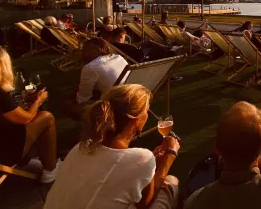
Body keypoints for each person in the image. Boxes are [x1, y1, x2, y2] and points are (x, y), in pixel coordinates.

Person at [44, 85, 180, 209]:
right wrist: (170, 155)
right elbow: (145, 204)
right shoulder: (142, 158)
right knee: (171, 182)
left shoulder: (83, 146)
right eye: (146, 110)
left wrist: (147, 166)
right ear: (136, 121)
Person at [0, 46, 61, 182]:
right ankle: (50, 170)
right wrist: (39, 100)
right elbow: (26, 118)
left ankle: (34, 159)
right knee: (46, 117)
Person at [76, 38, 128, 105]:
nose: (83, 54)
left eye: (85, 51)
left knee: (70, 105)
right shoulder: (118, 57)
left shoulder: (90, 67)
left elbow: (83, 98)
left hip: (116, 103)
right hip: (132, 94)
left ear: (97, 50)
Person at [112, 28, 185, 62]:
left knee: (148, 42)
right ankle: (171, 49)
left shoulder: (113, 45)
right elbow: (138, 55)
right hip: (140, 57)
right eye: (124, 37)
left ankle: (170, 48)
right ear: (121, 36)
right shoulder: (126, 46)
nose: (125, 38)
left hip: (136, 53)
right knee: (153, 46)